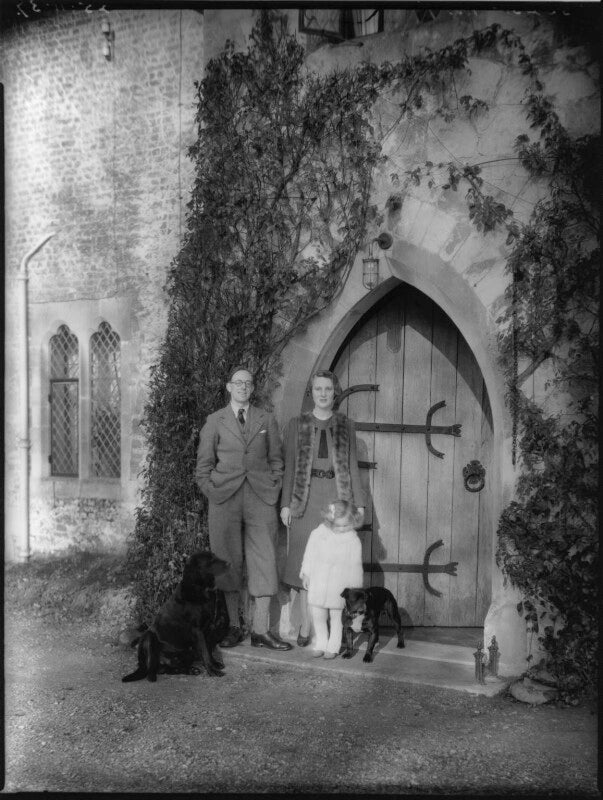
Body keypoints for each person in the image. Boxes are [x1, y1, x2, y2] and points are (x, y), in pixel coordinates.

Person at [195, 366, 292, 651]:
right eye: (237, 382)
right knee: (227, 561)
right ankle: (234, 628)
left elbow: (277, 460)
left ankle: (261, 630)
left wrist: (273, 489)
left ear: (252, 388)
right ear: (228, 387)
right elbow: (202, 466)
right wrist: (213, 492)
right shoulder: (215, 421)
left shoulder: (266, 419)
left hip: (260, 498)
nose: (243, 387)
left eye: (247, 383)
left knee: (264, 559)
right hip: (225, 499)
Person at [280, 369, 365, 646]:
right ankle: (306, 625)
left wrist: (358, 505)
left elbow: (352, 467)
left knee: (334, 564)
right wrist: (285, 505)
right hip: (304, 499)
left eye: (328, 389)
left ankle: (335, 631)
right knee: (307, 563)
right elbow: (290, 467)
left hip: (335, 500)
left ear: (334, 393)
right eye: (318, 389)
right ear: (311, 392)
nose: (323, 394)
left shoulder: (346, 426)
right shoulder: (297, 424)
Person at [300, 500, 364, 659]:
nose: (342, 529)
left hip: (339, 586)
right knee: (318, 615)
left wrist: (354, 592)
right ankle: (321, 643)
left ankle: (333, 646)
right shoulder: (318, 534)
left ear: (352, 522)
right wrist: (306, 574)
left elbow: (355, 566)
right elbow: (309, 555)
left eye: (346, 525)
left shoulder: (353, 540)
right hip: (319, 582)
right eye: (338, 525)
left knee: (336, 618)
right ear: (329, 521)